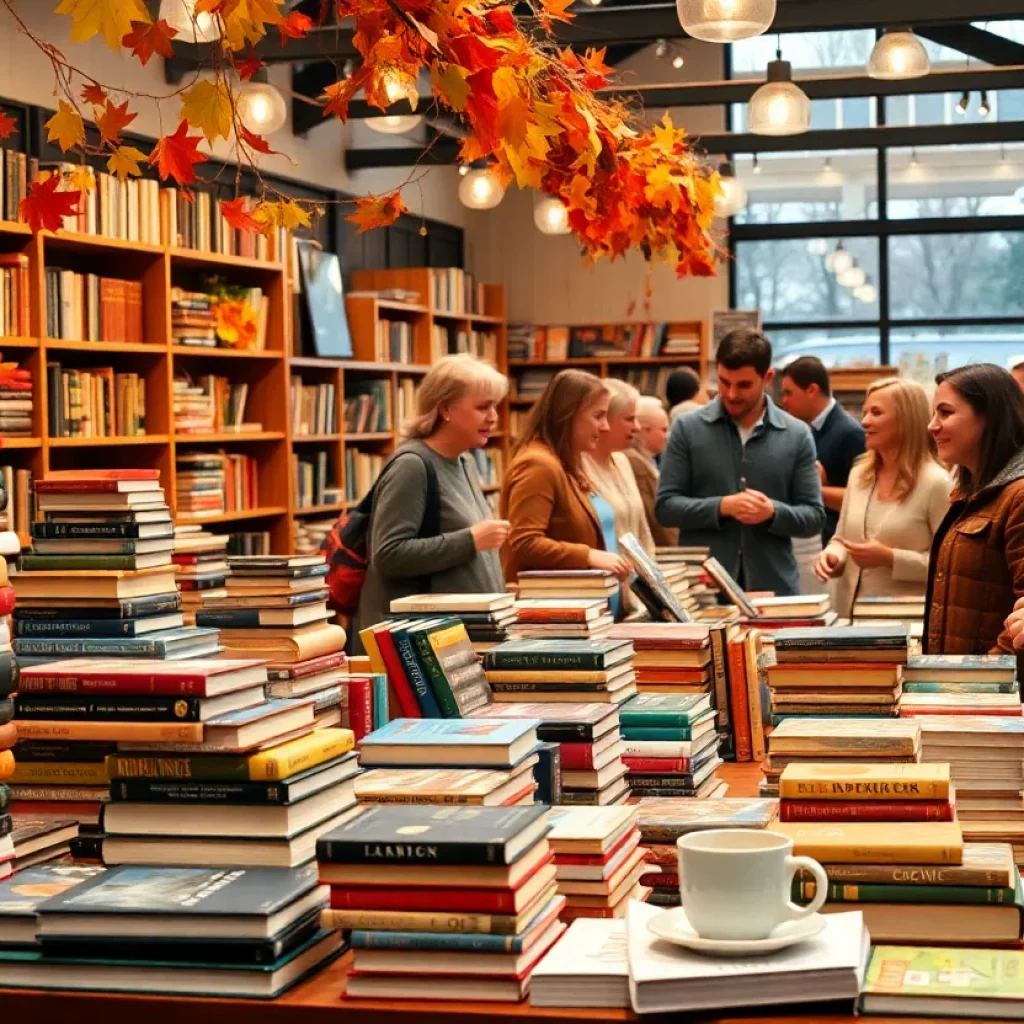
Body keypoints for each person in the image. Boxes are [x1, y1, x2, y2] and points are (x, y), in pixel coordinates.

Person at [352, 354, 510, 653]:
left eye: (495, 406)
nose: (493, 417)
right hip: (416, 650)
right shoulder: (412, 465)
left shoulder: (464, 461)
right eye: (482, 407)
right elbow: (388, 554)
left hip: (456, 640)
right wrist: (470, 540)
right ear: (446, 409)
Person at [656, 328, 825, 597]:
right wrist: (723, 506)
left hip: (775, 590)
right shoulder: (687, 428)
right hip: (703, 590)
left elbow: (814, 517)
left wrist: (772, 511)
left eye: (744, 385)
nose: (731, 394)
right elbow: (665, 508)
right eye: (724, 382)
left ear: (768, 378)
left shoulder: (796, 434)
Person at [814, 378, 951, 619]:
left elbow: (949, 567)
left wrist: (891, 558)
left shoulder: (936, 483)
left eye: (876, 413)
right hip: (852, 621)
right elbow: (841, 538)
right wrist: (833, 556)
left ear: (906, 420)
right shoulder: (859, 475)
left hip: (909, 624)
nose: (864, 421)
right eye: (865, 412)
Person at [925, 363, 1024, 670]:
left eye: (945, 413)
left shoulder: (1018, 495)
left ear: (989, 418)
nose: (932, 425)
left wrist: (983, 672)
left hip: (993, 693)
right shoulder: (968, 493)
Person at [501, 369, 632, 599]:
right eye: (598, 416)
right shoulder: (538, 464)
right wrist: (589, 556)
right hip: (553, 614)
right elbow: (525, 543)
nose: (605, 427)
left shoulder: (565, 462)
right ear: (569, 414)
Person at [780, 356, 866, 594]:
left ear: (811, 390)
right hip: (815, 549)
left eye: (788, 393)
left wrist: (815, 489)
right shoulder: (805, 430)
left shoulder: (849, 433)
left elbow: (867, 499)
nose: (783, 402)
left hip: (837, 555)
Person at [583, 379, 656, 557]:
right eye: (629, 419)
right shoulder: (580, 467)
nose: (637, 427)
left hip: (637, 580)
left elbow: (643, 533)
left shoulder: (623, 462)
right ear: (605, 418)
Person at [625, 395, 677, 548]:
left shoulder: (650, 460)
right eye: (664, 430)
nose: (667, 436)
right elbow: (658, 521)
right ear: (645, 429)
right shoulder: (636, 464)